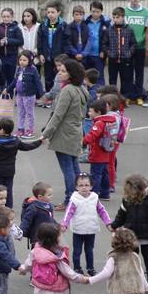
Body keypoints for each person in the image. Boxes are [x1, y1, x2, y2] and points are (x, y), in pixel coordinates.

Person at [40, 59, 89, 208]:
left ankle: (70, 199)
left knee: (68, 169)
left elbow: (58, 115)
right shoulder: (80, 88)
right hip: (75, 132)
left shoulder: (67, 90)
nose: (59, 73)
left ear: (71, 74)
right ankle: (81, 195)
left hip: (65, 134)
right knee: (74, 166)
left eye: (63, 71)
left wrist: (46, 134)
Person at [111, 174, 148, 284]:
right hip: (131, 233)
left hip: (146, 232)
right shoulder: (127, 200)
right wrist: (114, 225)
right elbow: (121, 215)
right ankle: (134, 273)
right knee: (133, 254)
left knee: (146, 254)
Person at [0, 117, 40, 202]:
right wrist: (39, 141)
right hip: (10, 170)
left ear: (2, 130)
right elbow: (28, 147)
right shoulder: (15, 141)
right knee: (8, 189)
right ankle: (8, 207)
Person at [62, 172, 108, 276]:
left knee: (89, 250)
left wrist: (108, 223)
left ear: (91, 186)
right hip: (78, 230)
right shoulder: (74, 199)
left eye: (87, 185)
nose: (84, 188)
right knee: (77, 251)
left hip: (91, 229)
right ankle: (77, 268)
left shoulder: (94, 198)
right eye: (81, 185)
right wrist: (64, 224)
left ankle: (90, 268)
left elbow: (102, 211)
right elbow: (68, 212)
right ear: (76, 187)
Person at [122, 0, 148, 105]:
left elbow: (147, 31)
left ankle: (139, 95)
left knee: (139, 72)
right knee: (127, 73)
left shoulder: (146, 12)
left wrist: (140, 40)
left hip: (140, 48)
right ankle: (128, 96)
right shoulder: (124, 12)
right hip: (127, 48)